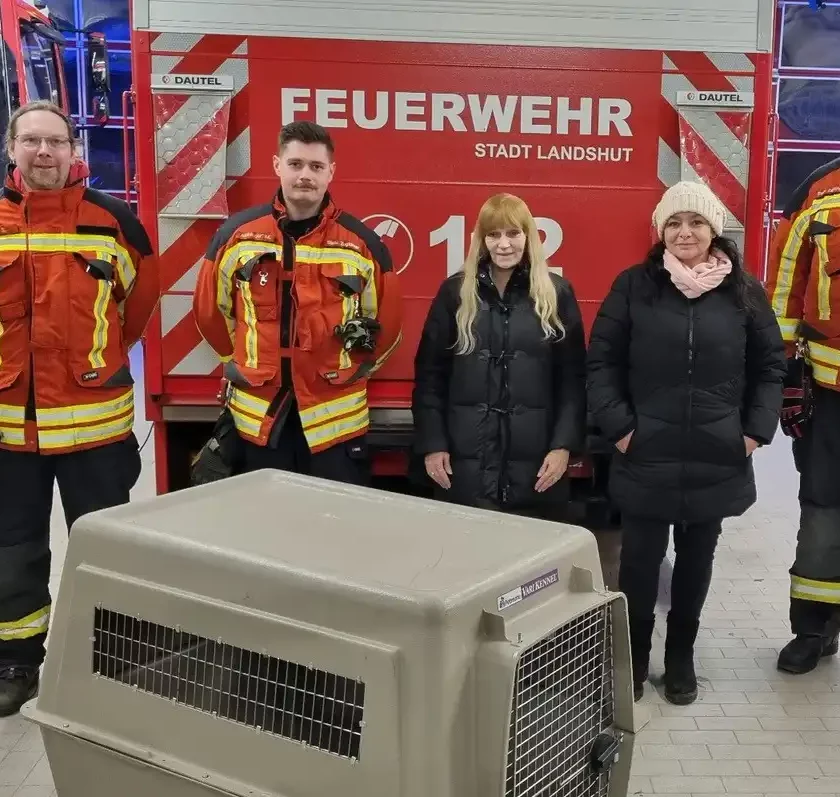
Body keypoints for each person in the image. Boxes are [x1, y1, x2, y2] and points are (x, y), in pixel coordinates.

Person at [587, 181, 786, 705]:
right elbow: (601, 362)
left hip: (716, 455)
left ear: (713, 229)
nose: (684, 232)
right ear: (661, 232)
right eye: (674, 223)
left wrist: (752, 432)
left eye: (695, 222)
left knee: (696, 566)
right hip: (646, 451)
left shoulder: (744, 292)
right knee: (638, 568)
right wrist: (621, 428)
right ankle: (630, 664)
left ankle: (680, 660)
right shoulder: (634, 286)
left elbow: (770, 366)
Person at [0, 101, 159, 716]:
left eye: (56, 142)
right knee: (13, 549)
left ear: (73, 150)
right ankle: (16, 662)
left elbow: (137, 308)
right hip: (11, 429)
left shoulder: (114, 221)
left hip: (95, 426)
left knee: (107, 547)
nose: (44, 153)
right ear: (12, 147)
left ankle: (116, 659)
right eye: (32, 141)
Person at [193, 121, 402, 486]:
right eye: (296, 164)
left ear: (331, 172)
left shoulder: (362, 243)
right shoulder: (238, 236)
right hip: (259, 419)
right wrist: (237, 363)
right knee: (266, 529)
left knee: (331, 530)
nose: (305, 175)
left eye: (316, 167)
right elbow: (211, 311)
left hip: (334, 424)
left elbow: (388, 319)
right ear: (277, 165)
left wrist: (358, 368)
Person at [411, 193, 586, 516]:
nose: (503, 244)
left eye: (513, 233)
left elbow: (573, 381)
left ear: (528, 237)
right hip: (467, 472)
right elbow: (430, 378)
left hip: (536, 473)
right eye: (493, 234)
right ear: (481, 240)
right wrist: (433, 444)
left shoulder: (557, 294)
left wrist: (563, 446)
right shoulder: (454, 293)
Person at [766, 156, 840, 674]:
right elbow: (786, 285)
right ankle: (813, 629)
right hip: (830, 394)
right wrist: (784, 375)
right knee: (823, 511)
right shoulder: (820, 190)